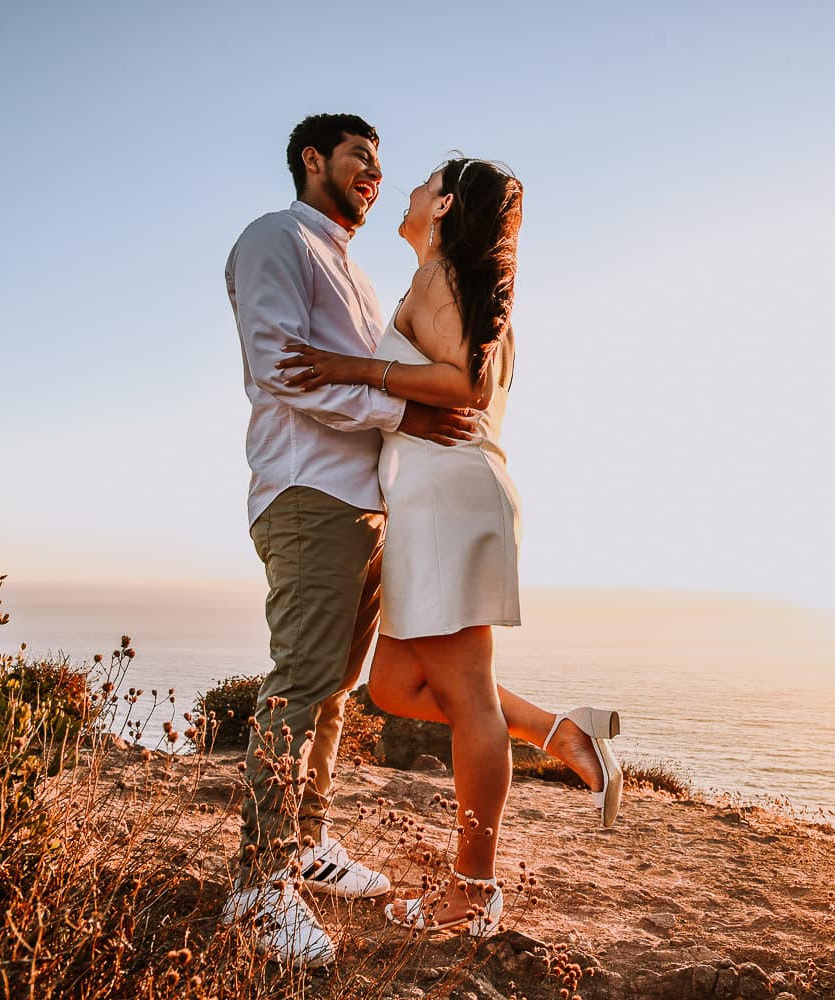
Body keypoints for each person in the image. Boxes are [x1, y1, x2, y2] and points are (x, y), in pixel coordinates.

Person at [277, 158, 623, 939]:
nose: (403, 187)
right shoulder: (458, 283)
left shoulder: (444, 278)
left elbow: (462, 385)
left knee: (466, 695)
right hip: (437, 502)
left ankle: (475, 891)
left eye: (422, 179)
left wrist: (352, 367)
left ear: (442, 206)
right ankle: (559, 732)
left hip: (446, 504)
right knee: (394, 685)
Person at [221, 113, 479, 969]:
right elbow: (282, 368)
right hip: (306, 492)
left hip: (365, 504)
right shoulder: (275, 239)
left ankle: (304, 844)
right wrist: (406, 410)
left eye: (380, 162)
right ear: (311, 160)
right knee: (299, 681)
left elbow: (380, 369)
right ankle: (257, 885)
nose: (373, 171)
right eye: (359, 157)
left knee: (334, 689)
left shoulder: (358, 273)